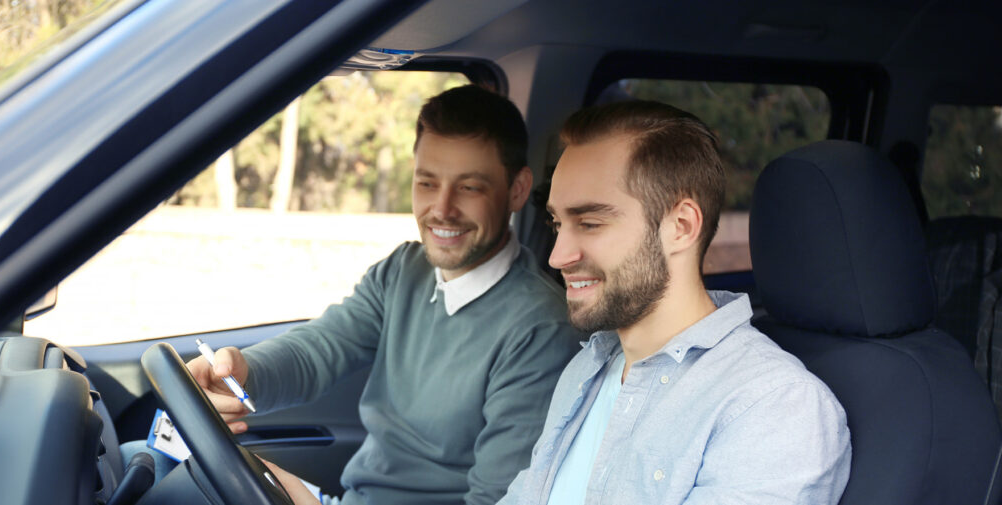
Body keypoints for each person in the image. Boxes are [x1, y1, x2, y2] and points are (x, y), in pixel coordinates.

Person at [187, 85, 583, 505]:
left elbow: (495, 500)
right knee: (146, 459)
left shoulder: (541, 330)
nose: (442, 209)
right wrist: (239, 373)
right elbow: (319, 349)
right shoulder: (403, 271)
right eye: (427, 183)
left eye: (469, 188)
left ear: (518, 190)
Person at [498, 101, 851, 504]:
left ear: (680, 227)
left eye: (590, 223)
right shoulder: (589, 366)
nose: (557, 256)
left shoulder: (774, 407)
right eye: (558, 224)